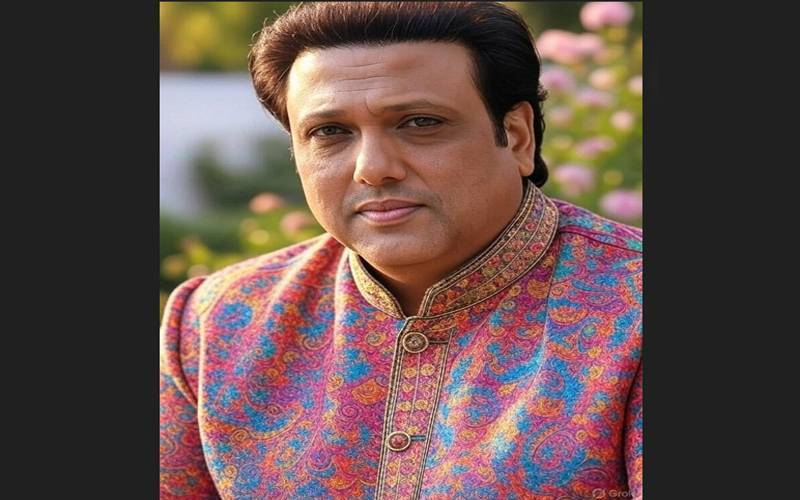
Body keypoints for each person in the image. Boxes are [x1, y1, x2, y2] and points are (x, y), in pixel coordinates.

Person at [159, 2, 642, 499]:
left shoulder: (634, 309)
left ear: (517, 137)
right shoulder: (218, 325)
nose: (373, 168)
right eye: (329, 132)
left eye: (419, 123)